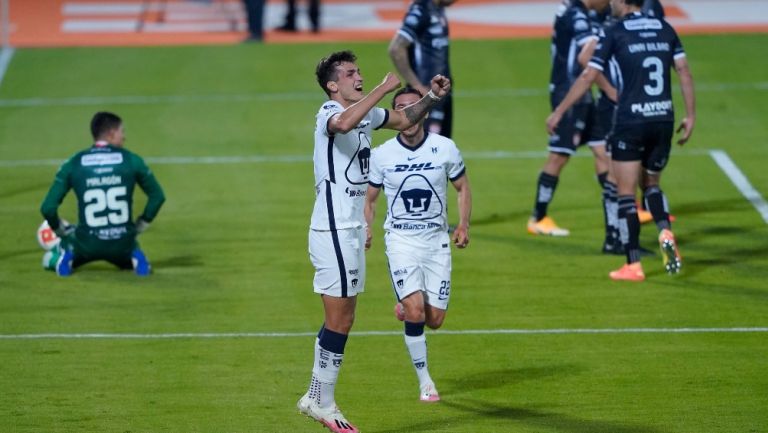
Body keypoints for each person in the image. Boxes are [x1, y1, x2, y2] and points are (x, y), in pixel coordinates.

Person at [297, 50, 451, 433]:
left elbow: (404, 119)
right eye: (350, 74)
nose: (358, 77)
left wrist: (430, 98)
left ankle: (315, 396)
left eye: (360, 72)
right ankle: (324, 403)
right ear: (333, 85)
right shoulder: (327, 112)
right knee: (341, 320)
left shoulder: (364, 112)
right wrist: (383, 89)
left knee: (343, 318)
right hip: (332, 230)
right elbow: (344, 124)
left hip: (348, 230)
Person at [546, 0, 695, 281]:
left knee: (626, 194)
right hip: (663, 118)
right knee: (651, 185)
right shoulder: (665, 27)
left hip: (630, 120)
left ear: (625, 2)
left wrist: (560, 111)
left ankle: (633, 264)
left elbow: (588, 72)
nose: (610, 3)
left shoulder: (615, 31)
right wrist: (691, 115)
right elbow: (684, 71)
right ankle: (664, 228)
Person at [364, 87, 470, 403]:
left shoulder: (445, 148)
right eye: (401, 108)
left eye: (414, 106)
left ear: (424, 111)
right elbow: (369, 199)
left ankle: (409, 307)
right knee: (415, 310)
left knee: (434, 320)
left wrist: (463, 223)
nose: (408, 113)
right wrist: (366, 228)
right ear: (394, 115)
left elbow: (462, 187)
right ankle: (425, 382)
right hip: (401, 242)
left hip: (436, 242)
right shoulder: (382, 155)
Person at [526, 0, 614, 237]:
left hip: (581, 93)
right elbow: (587, 58)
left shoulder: (575, 9)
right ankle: (538, 217)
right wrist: (609, 89)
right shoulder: (577, 14)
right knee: (559, 156)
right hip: (569, 92)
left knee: (603, 151)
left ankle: (618, 213)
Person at [40, 111, 166, 277]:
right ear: (112, 133)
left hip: (86, 243)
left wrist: (61, 231)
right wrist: (139, 227)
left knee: (49, 257)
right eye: (122, 132)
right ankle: (135, 256)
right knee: (128, 246)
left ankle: (68, 256)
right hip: (122, 243)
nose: (124, 137)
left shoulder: (74, 162)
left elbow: (47, 208)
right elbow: (158, 197)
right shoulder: (132, 160)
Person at [388, 0, 455, 138]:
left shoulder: (437, 8)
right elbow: (396, 48)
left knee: (443, 147)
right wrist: (417, 85)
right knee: (426, 148)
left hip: (442, 92)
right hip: (426, 94)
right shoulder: (421, 11)